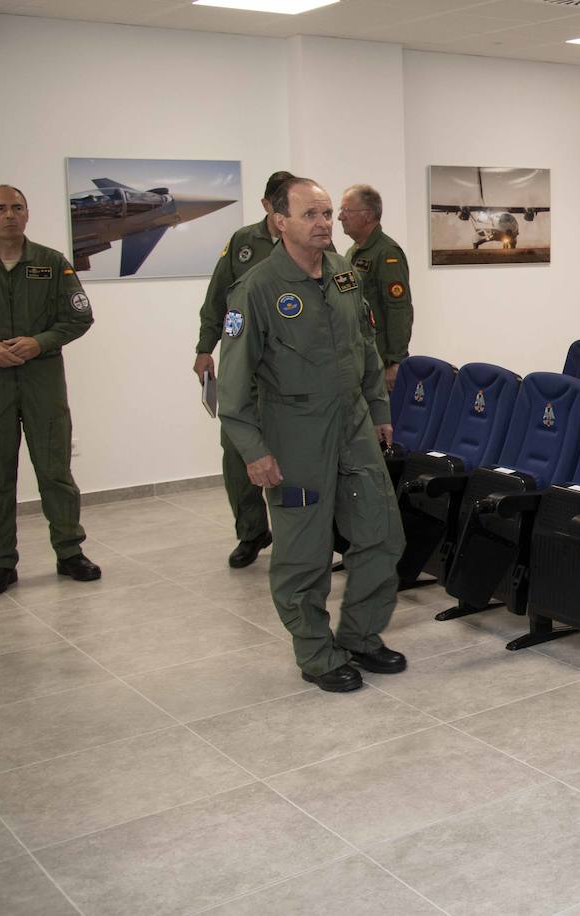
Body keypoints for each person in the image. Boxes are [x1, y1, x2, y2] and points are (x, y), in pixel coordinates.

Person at [218, 177, 407, 693]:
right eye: (311, 215)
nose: (324, 224)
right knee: (304, 552)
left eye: (327, 214)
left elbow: (364, 345)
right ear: (280, 222)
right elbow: (231, 390)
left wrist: (378, 408)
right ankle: (317, 653)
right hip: (294, 432)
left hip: (353, 423)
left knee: (381, 534)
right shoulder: (255, 289)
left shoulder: (344, 273)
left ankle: (362, 635)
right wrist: (254, 452)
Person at [0, 185, 102, 596]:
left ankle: (69, 552)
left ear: (27, 214)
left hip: (42, 382)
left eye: (17, 208)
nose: (9, 215)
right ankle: (1, 563)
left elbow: (79, 317)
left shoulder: (51, 262)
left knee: (56, 473)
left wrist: (39, 342)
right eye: (0, 208)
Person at [193, 170, 294, 569]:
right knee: (237, 454)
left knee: (289, 456)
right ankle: (252, 532)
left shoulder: (310, 241)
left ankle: (293, 536)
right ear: (267, 205)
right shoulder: (241, 243)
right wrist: (204, 348)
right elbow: (216, 298)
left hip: (288, 372)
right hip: (243, 367)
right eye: (280, 205)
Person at [338, 184, 413, 389]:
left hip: (380, 359)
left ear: (368, 215)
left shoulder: (387, 253)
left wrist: (395, 361)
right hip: (358, 356)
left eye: (346, 211)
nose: (340, 217)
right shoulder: (353, 252)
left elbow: (399, 309)